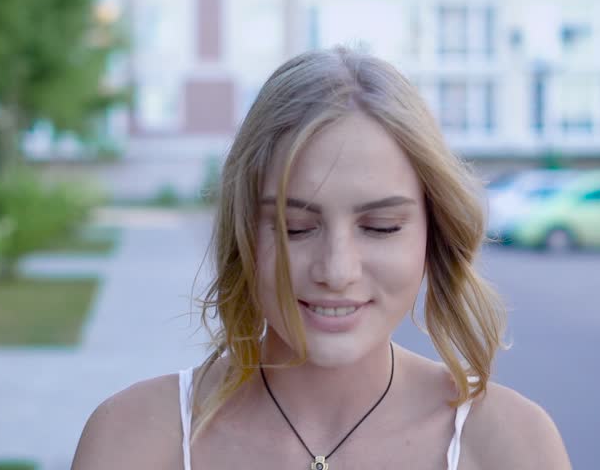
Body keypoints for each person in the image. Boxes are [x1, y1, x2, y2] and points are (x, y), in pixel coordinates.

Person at [71, 46, 571, 469]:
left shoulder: (510, 445)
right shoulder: (133, 440)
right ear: (244, 231)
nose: (336, 271)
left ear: (434, 232)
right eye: (295, 228)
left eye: (380, 227)